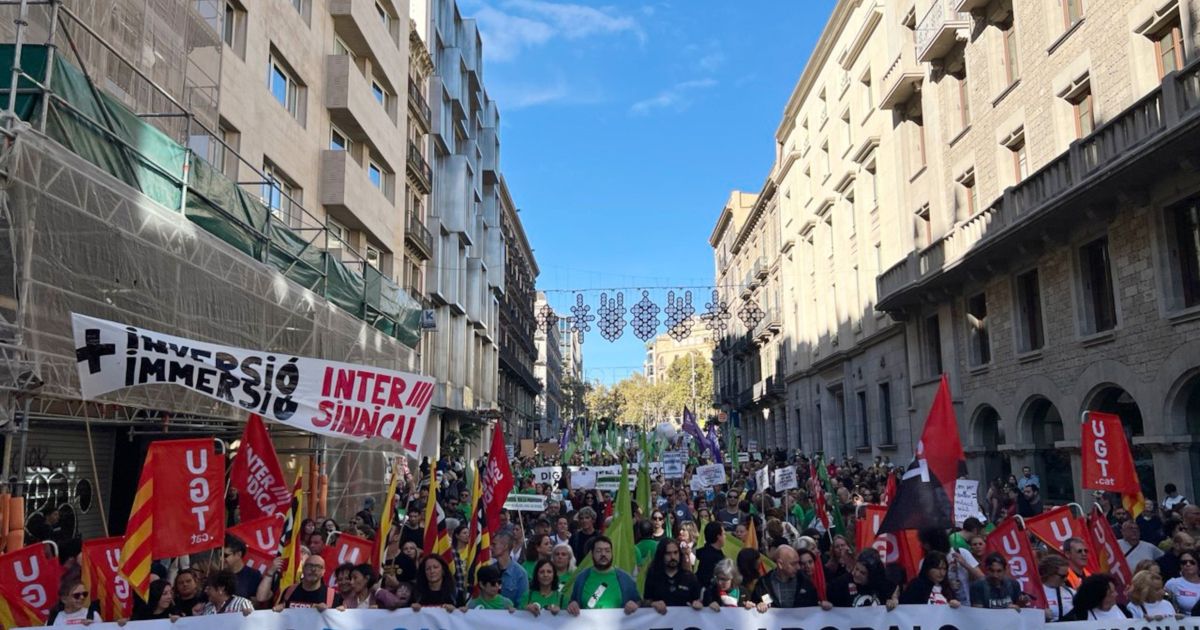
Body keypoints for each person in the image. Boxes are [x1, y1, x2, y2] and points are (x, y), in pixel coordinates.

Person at [566, 536, 640, 615]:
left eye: (607, 551)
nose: (603, 554)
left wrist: (635, 605)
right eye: (598, 551)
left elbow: (639, 602)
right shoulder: (581, 578)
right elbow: (573, 601)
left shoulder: (625, 579)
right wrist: (573, 604)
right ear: (592, 554)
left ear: (612, 553)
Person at [747, 545, 827, 611]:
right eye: (793, 564)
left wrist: (823, 606)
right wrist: (758, 605)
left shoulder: (805, 582)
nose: (798, 567)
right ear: (780, 564)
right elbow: (754, 605)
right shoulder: (763, 585)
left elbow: (814, 607)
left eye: (798, 563)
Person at [642, 539, 703, 613]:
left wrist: (698, 603)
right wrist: (652, 604)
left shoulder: (689, 577)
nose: (673, 557)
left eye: (675, 553)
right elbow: (644, 602)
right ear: (661, 555)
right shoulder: (653, 577)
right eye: (668, 553)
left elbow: (698, 600)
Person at [828, 549, 897, 609]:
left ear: (872, 576)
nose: (857, 574)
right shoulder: (842, 583)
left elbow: (895, 588)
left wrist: (894, 599)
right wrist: (827, 604)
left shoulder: (881, 583)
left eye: (863, 573)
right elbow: (827, 597)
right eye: (856, 568)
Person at [1062, 574, 1129, 621]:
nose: (1116, 594)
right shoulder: (1078, 616)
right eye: (1111, 592)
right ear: (1099, 597)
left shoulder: (1123, 610)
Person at [491, 531, 528, 605]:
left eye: (494, 544)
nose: (490, 547)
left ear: (505, 546)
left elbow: (522, 603)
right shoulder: (489, 570)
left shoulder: (520, 574)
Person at [222, 536, 264, 600]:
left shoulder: (253, 575)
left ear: (238, 554)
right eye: (220, 554)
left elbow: (257, 603)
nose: (221, 559)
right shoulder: (216, 574)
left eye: (225, 555)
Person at [1039, 555, 1075, 622]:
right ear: (1049, 574)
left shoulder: (1071, 592)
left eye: (1067, 575)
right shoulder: (1036, 592)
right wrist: (1040, 615)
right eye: (1062, 576)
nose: (1066, 579)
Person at [695, 522, 726, 587]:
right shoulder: (715, 558)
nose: (725, 537)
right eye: (724, 534)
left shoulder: (701, 552)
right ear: (719, 537)